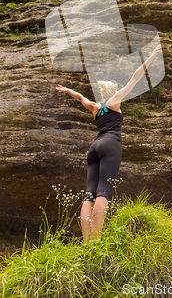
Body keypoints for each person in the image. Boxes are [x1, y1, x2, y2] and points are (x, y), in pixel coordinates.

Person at [56, 44, 162, 242]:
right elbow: (135, 77)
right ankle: (97, 239)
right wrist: (150, 58)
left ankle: (88, 241)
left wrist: (67, 89)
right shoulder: (115, 101)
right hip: (110, 144)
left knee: (89, 194)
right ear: (113, 91)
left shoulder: (96, 107)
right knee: (104, 190)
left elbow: (80, 98)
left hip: (94, 148)